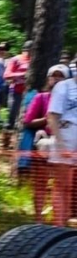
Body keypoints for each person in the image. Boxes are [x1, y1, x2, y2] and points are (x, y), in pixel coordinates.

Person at [21, 64, 67, 221]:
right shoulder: (41, 97)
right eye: (54, 75)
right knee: (40, 183)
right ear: (48, 78)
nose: (56, 79)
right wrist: (47, 119)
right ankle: (38, 219)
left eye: (61, 76)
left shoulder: (71, 101)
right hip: (44, 144)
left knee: (62, 185)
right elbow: (28, 121)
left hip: (65, 146)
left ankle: (58, 220)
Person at [47, 65, 77, 225]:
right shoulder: (64, 86)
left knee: (72, 185)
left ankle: (67, 222)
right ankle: (59, 225)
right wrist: (60, 145)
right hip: (65, 133)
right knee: (62, 184)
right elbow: (52, 115)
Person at [5, 39, 32, 135]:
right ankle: (7, 137)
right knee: (12, 115)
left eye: (31, 51)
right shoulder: (16, 59)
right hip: (16, 91)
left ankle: (20, 136)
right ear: (23, 49)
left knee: (25, 117)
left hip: (30, 92)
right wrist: (23, 74)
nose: (28, 53)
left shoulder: (36, 60)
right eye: (27, 50)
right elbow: (7, 75)